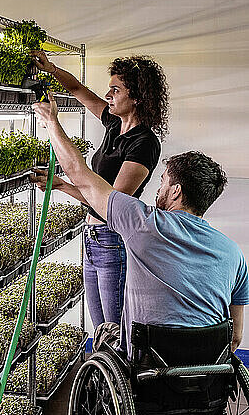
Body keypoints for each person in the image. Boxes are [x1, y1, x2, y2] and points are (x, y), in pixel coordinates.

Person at [32, 96, 249, 361]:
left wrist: (52, 122)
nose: (158, 188)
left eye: (163, 182)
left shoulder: (142, 224)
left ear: (176, 191)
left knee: (107, 333)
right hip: (204, 379)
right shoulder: (234, 254)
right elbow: (235, 337)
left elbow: (80, 173)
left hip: (145, 368)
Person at [31, 51, 169, 329]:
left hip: (112, 240)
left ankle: (122, 373)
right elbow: (77, 89)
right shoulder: (114, 123)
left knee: (114, 331)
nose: (108, 95)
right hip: (91, 237)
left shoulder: (144, 143)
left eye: (116, 90)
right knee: (100, 328)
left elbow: (111, 202)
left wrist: (54, 127)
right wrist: (52, 69)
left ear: (137, 98)